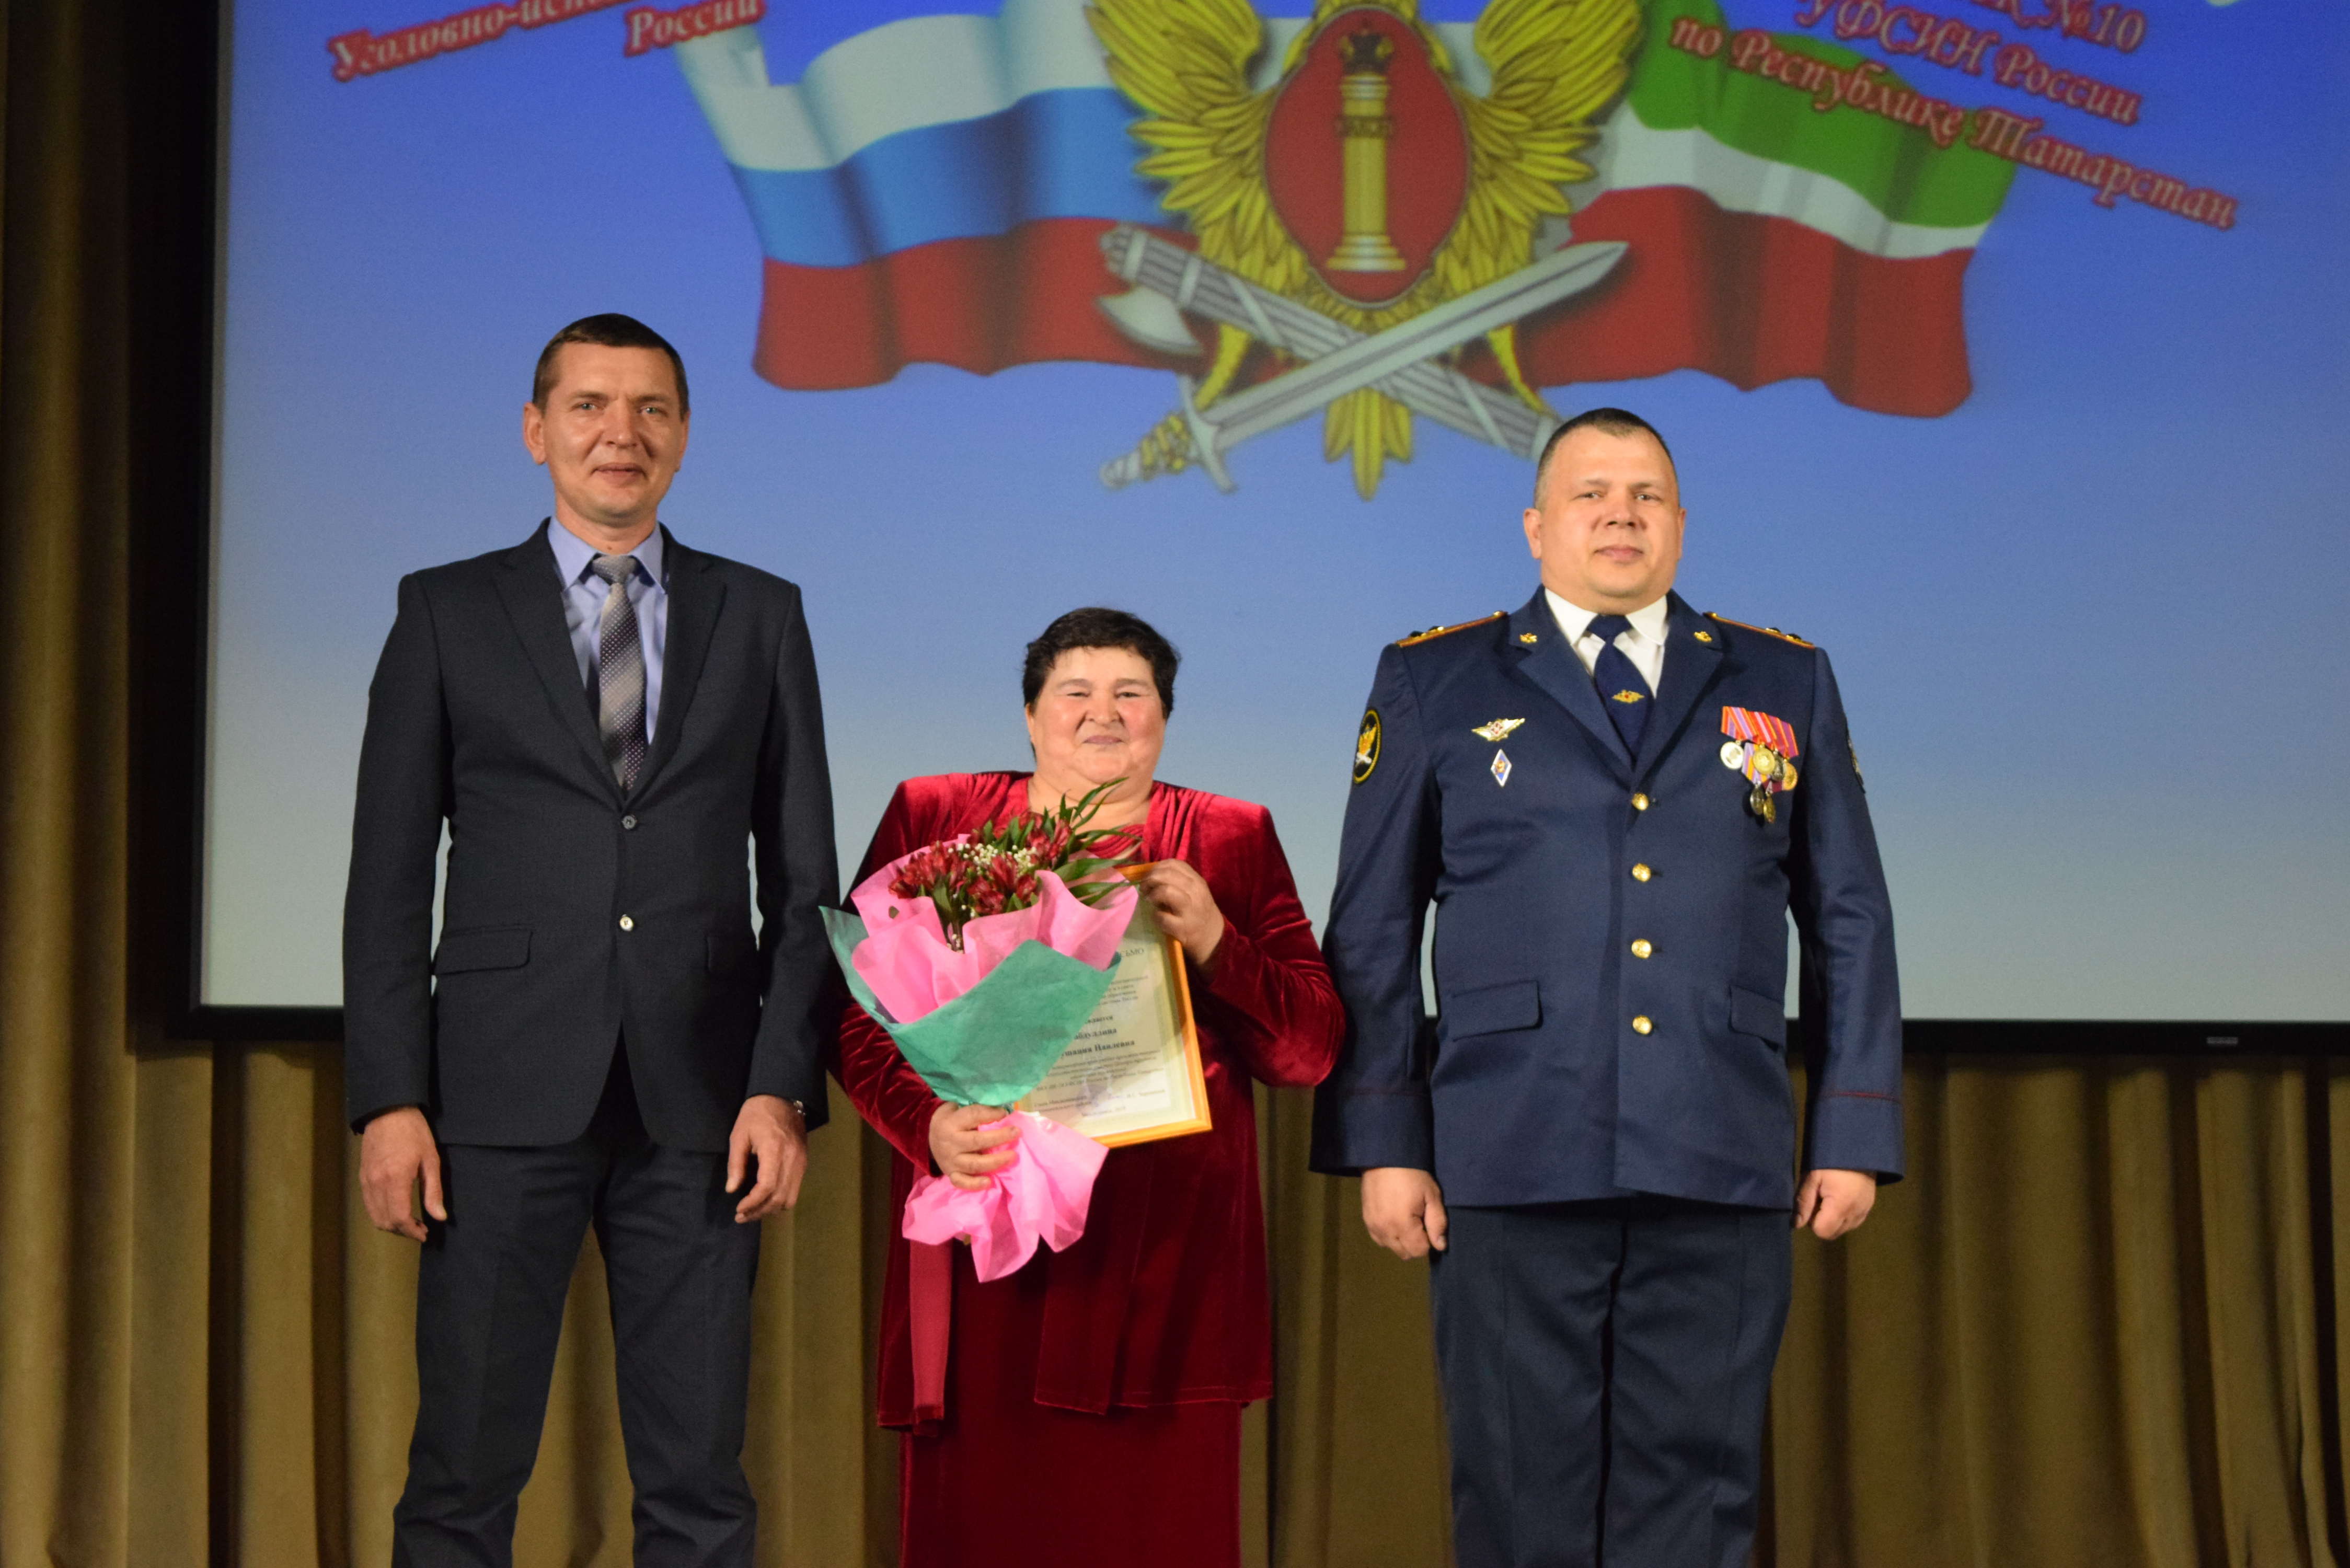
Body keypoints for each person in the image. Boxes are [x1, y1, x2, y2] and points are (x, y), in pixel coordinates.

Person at [1310, 408, 1904, 1568]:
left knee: (1700, 1497)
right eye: (1590, 494)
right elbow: (1373, 924)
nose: (1620, 515)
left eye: (1645, 495)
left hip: (1717, 1145)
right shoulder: (1434, 676)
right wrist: (1384, 1140)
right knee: (1516, 1490)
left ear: (1680, 524)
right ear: (1537, 527)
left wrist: (1852, 1131)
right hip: (1506, 1148)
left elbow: (1849, 917)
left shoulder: (1784, 676)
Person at [342, 313, 837, 1565]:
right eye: (590, 406)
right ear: (536, 430)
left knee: (700, 1484)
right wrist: (390, 1101)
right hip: (496, 1095)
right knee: (462, 1474)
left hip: (704, 1105)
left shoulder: (762, 613)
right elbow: (388, 883)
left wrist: (781, 1088)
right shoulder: (446, 611)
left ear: (684, 435)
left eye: (651, 409)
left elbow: (805, 886)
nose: (622, 433)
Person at [831, 607, 1344, 1568]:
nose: (1102, 714)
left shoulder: (1229, 836)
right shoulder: (937, 817)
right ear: (1030, 716)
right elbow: (857, 1016)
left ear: (1165, 719)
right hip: (991, 1242)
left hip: (1166, 1262)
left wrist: (1218, 944)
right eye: (1076, 692)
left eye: (1130, 694)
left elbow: (1308, 1053)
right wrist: (926, 1126)